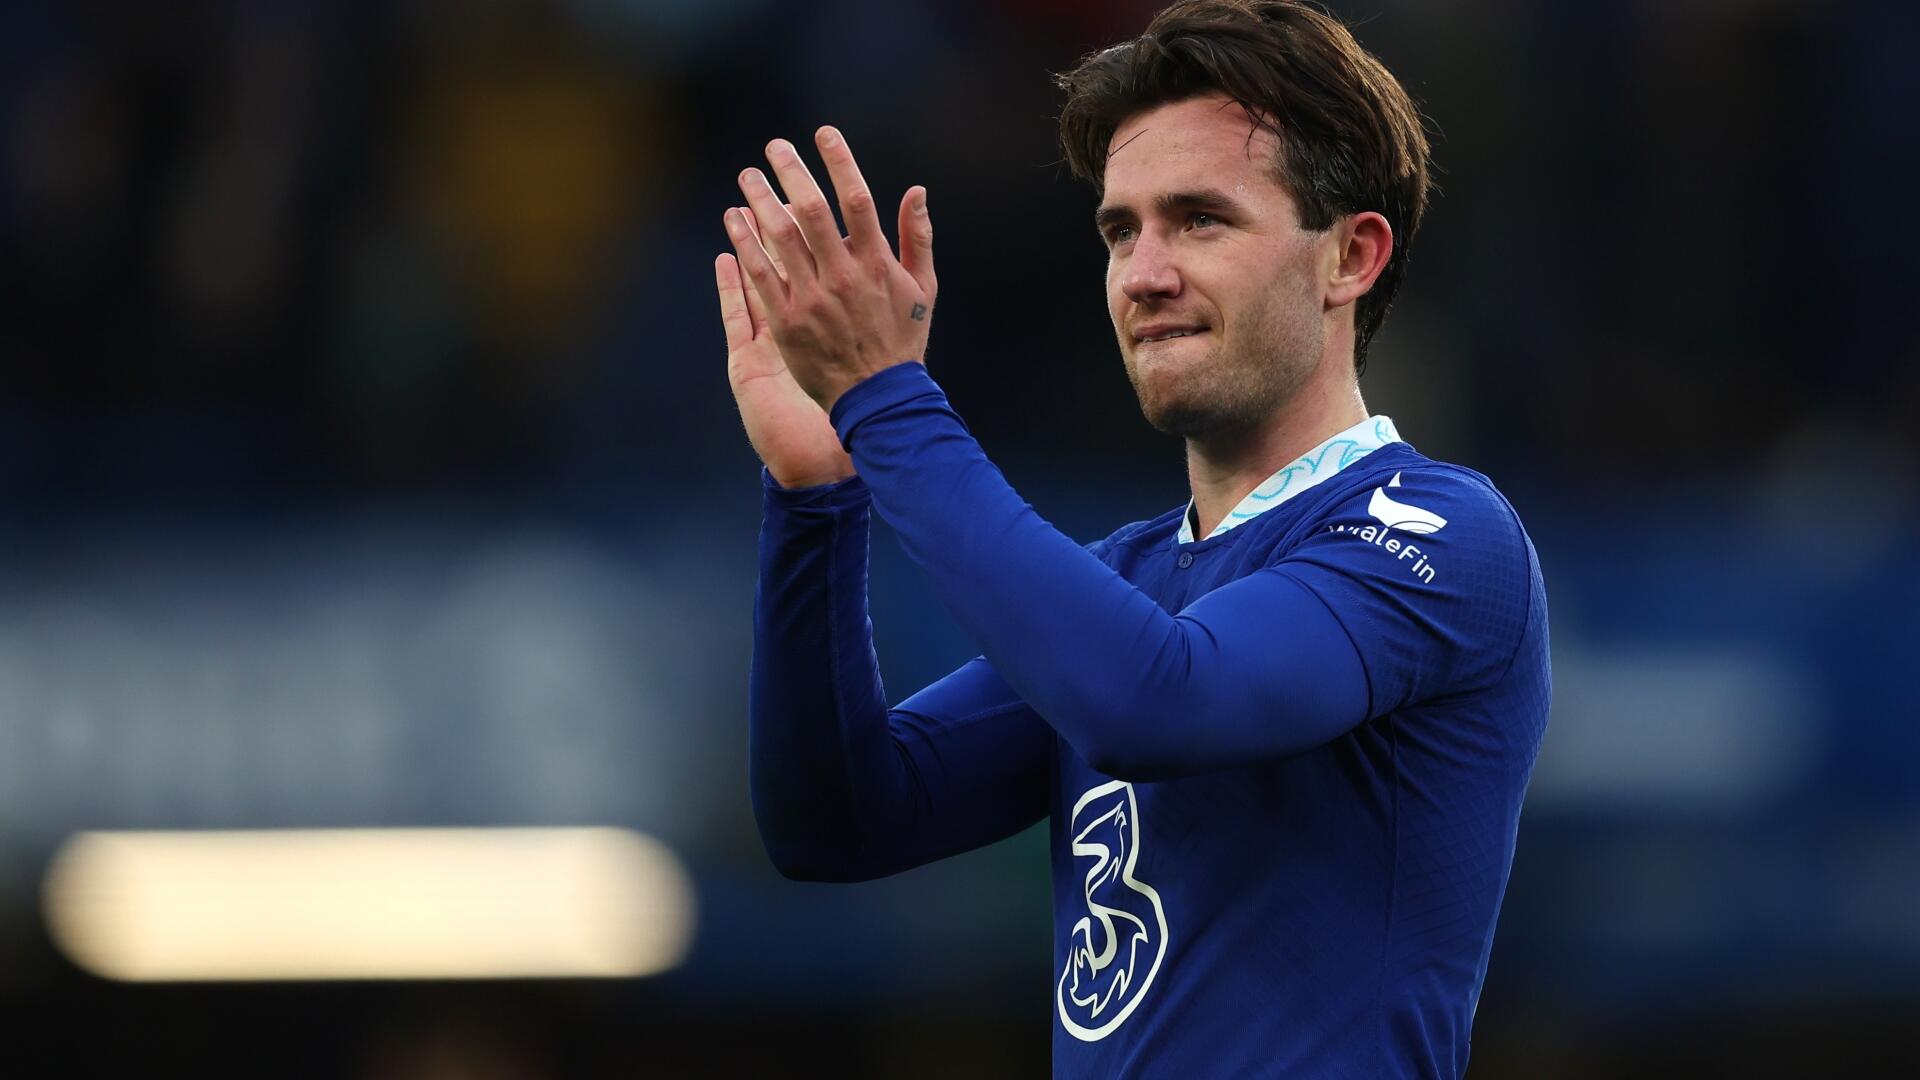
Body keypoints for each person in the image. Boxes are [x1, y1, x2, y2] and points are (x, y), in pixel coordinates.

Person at [714, 1, 1549, 1075]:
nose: (1144, 273)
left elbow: (1155, 703)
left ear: (1350, 256)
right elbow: (835, 822)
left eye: (1201, 220)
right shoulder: (1131, 582)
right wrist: (817, 497)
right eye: (1121, 230)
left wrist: (888, 401)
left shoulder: (1439, 531)